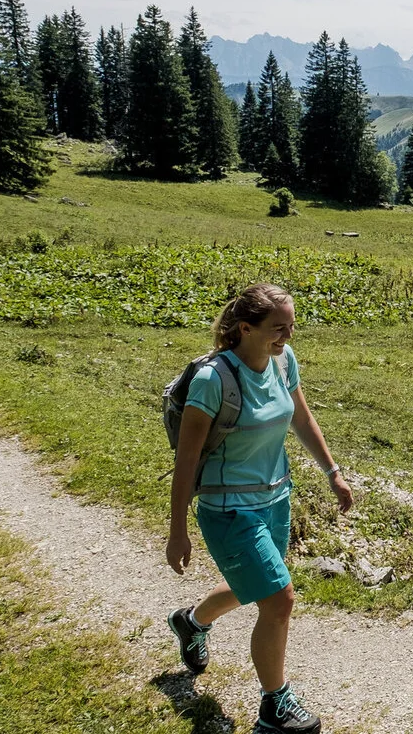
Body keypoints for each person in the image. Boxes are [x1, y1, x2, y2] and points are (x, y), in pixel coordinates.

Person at [165, 283, 353, 734]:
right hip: (228, 508)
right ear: (245, 328)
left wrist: (333, 473)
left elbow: (301, 419)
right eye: (277, 328)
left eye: (291, 326)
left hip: (275, 499)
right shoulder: (214, 381)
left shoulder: (283, 362)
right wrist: (177, 530)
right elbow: (186, 461)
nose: (286, 336)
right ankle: (275, 705)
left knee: (261, 585)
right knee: (279, 597)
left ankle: (190, 622)